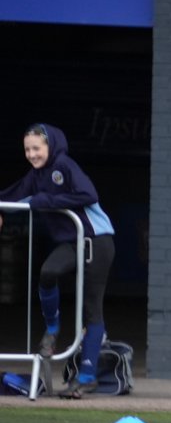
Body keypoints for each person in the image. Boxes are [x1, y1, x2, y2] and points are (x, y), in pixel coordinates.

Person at [0, 123, 115, 398]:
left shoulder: (64, 165)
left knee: (91, 308)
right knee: (48, 273)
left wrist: (46, 201)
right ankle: (52, 329)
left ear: (49, 146)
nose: (31, 154)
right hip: (71, 242)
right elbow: (17, 193)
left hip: (96, 240)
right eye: (27, 149)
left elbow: (89, 195)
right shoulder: (35, 174)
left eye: (36, 148)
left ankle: (86, 377)